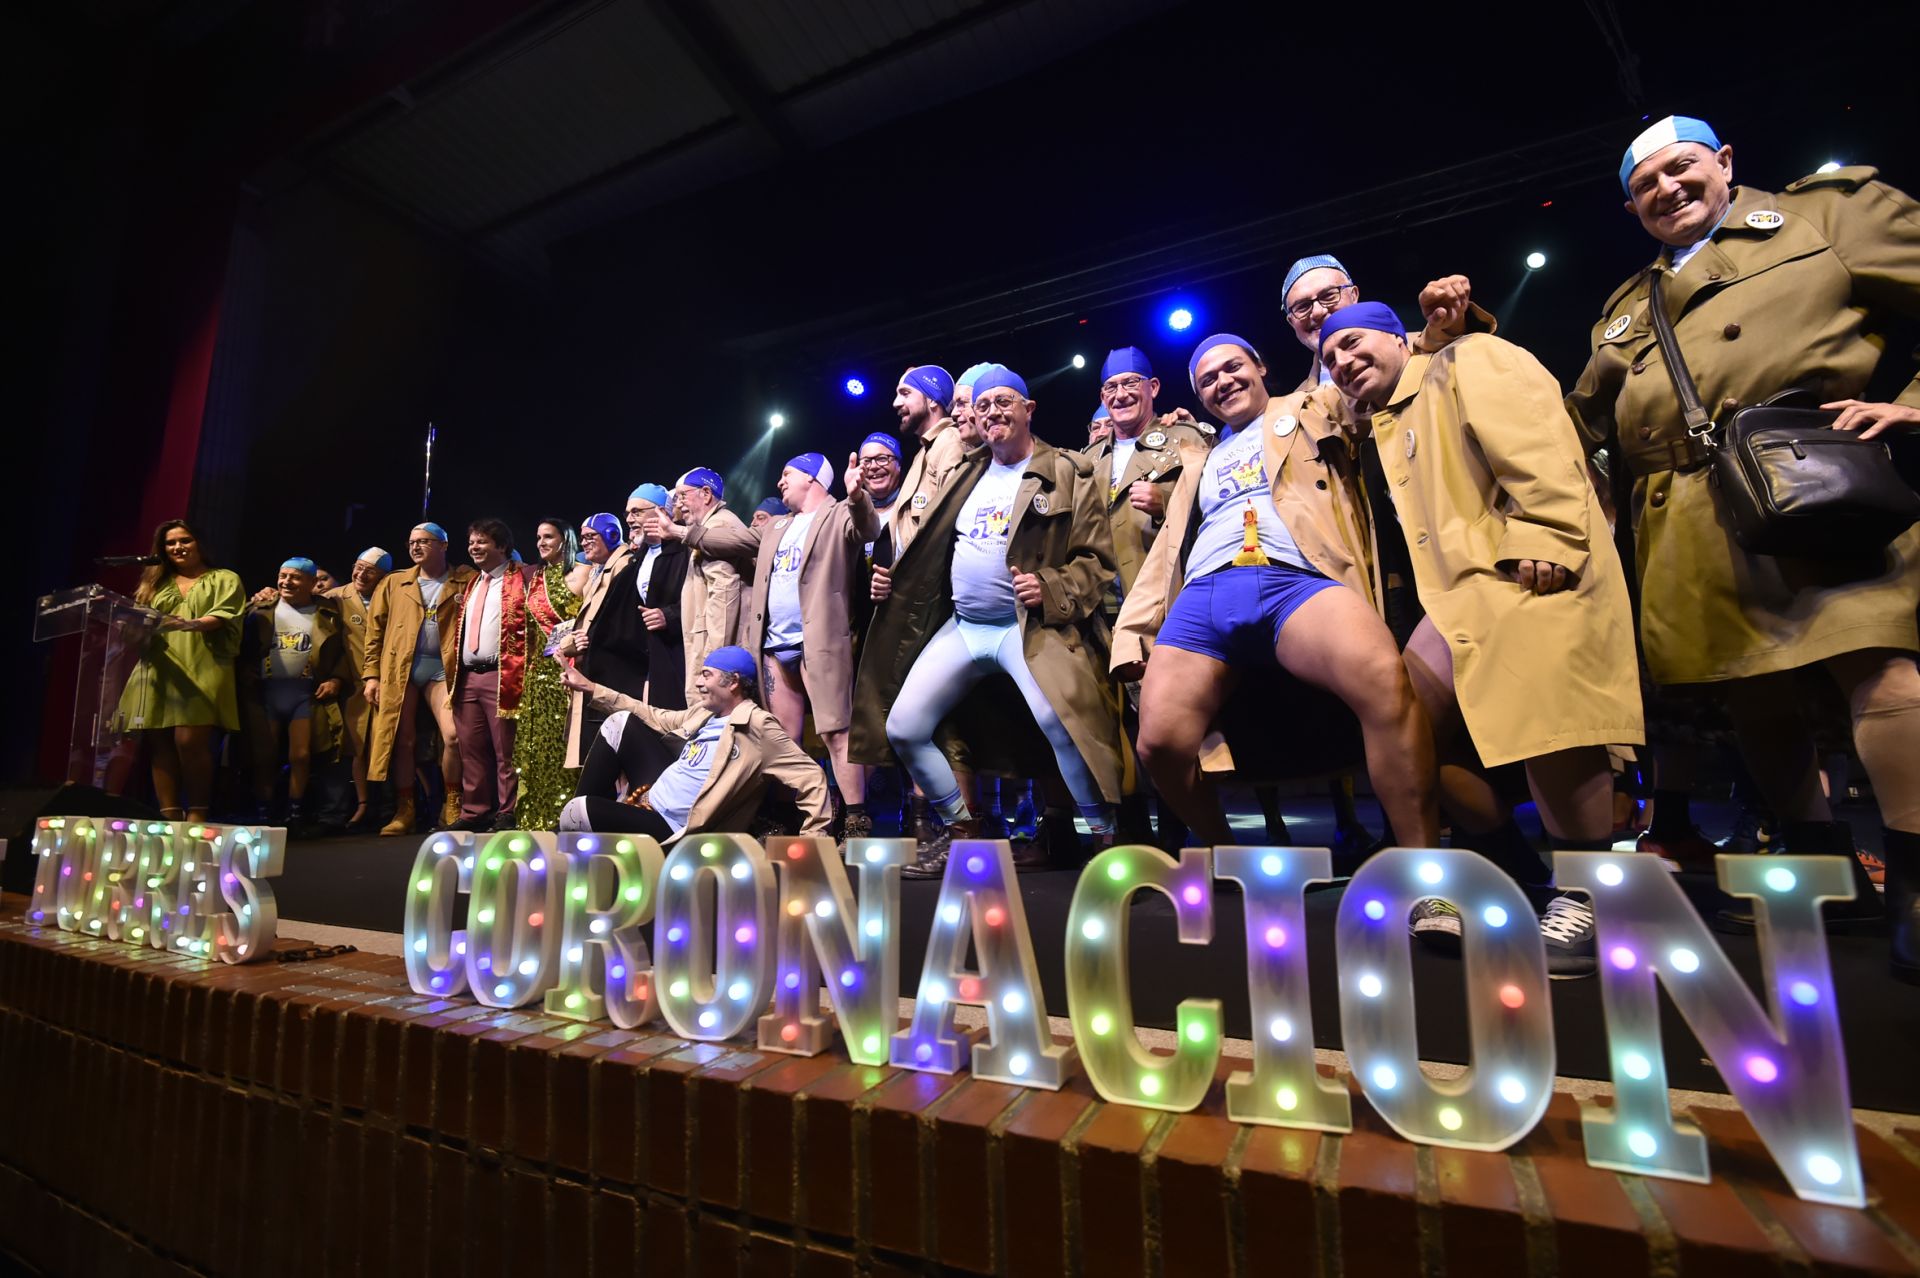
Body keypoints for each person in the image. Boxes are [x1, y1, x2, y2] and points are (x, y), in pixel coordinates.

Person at [1564, 115, 1920, 975]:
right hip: (1684, 515)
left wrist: (1915, 401)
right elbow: (1581, 423)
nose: (1668, 190)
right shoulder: (1625, 304)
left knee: (1874, 662)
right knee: (1752, 694)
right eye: (1646, 185)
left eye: (1682, 169)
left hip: (1808, 473)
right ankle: (1823, 868)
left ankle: (1916, 882)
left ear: (1724, 162)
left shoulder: (1826, 220)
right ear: (1630, 204)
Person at [1321, 303, 1645, 977]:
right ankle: (1522, 873)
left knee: (1554, 725)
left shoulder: (1466, 359)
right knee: (1400, 724)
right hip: (1460, 595)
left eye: (1353, 343)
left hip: (1527, 568)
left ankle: (1590, 896)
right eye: (1330, 359)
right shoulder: (1388, 417)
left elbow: (1539, 440)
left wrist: (1547, 535)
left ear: (1397, 337)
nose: (1343, 362)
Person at [1112, 335, 1441, 860]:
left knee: (1384, 680)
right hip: (1205, 592)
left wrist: (1428, 336)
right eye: (1207, 380)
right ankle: (1225, 855)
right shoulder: (1199, 456)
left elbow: (1375, 380)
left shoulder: (1311, 409)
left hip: (1295, 579)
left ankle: (1425, 870)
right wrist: (1134, 633)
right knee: (1159, 743)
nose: (1223, 382)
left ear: (1261, 366)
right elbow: (1164, 547)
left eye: (1233, 367)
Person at [853, 365, 1132, 876]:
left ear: (1029, 409)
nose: (993, 413)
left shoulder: (1071, 471)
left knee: (1059, 722)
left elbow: (1098, 564)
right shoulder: (965, 474)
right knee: (904, 726)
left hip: (1024, 628)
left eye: (1005, 401)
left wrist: (1049, 587)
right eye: (982, 406)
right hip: (964, 627)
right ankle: (964, 831)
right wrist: (893, 581)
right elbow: (926, 551)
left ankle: (1103, 837)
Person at [681, 452, 881, 838]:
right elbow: (734, 539)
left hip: (817, 641)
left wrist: (857, 497)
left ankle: (856, 817)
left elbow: (868, 529)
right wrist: (683, 533)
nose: (779, 482)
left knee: (835, 731)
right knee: (781, 739)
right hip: (775, 646)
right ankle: (794, 816)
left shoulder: (838, 513)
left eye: (787, 474)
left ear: (811, 477)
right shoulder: (776, 527)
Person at [557, 646, 830, 839]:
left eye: (707, 675)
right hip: (652, 798)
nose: (699, 683)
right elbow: (653, 716)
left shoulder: (758, 726)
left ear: (733, 681)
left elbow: (811, 777)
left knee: (576, 811)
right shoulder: (704, 713)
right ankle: (583, 833)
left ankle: (570, 839)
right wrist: (592, 689)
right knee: (620, 723)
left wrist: (812, 837)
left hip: (676, 826)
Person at [113, 519, 245, 823]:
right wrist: (127, 628)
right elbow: (139, 626)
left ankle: (198, 811)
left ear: (200, 543)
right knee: (160, 744)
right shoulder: (153, 584)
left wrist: (191, 623)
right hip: (159, 665)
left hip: (203, 663)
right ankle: (170, 814)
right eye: (170, 543)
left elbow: (224, 615)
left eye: (184, 540)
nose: (177, 547)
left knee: (190, 742)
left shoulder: (224, 578)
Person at [363, 522, 477, 835]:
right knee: (402, 739)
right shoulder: (394, 582)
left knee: (453, 736)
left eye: (424, 541)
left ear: (443, 545)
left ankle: (452, 801)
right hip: (403, 668)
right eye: (412, 541)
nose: (415, 547)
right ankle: (406, 809)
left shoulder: (464, 579)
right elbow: (374, 632)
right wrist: (371, 675)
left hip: (443, 668)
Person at [241, 557, 350, 833]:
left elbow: (343, 651)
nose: (287, 582)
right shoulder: (261, 608)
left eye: (295, 577)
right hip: (268, 693)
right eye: (283, 576)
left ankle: (295, 810)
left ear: (312, 584)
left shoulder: (327, 611)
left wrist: (337, 678)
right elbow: (241, 646)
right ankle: (264, 810)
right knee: (265, 755)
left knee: (301, 755)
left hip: (304, 693)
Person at [450, 518, 538, 831]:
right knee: (471, 750)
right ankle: (475, 812)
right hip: (468, 676)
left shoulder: (523, 578)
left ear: (501, 546)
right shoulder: (474, 583)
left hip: (502, 675)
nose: (474, 547)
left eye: (482, 541)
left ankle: (507, 811)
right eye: (472, 541)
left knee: (505, 750)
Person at [510, 519, 591, 830]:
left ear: (564, 539)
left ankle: (569, 816)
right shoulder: (536, 577)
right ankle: (539, 815)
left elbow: (591, 620)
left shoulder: (582, 572)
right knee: (540, 746)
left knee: (566, 743)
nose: (541, 542)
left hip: (571, 670)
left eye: (548, 536)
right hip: (540, 673)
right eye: (538, 536)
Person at [649, 467, 749, 704]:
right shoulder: (708, 528)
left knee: (713, 720)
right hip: (707, 643)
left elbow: (724, 597)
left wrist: (715, 663)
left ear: (706, 494)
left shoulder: (719, 525)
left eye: (683, 496)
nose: (678, 505)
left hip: (715, 651)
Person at [561, 511, 635, 766]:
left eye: (591, 536)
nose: (584, 543)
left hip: (612, 670)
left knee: (609, 753)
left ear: (612, 535)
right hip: (593, 666)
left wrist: (581, 641)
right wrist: (570, 642)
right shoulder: (597, 571)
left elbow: (609, 623)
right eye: (582, 538)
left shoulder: (625, 567)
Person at [329, 547, 391, 830]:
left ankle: (386, 806)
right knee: (354, 746)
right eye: (358, 567)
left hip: (388, 682)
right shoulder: (337, 597)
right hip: (354, 683)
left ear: (383, 577)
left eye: (370, 571)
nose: (360, 574)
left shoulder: (392, 597)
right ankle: (359, 805)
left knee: (385, 745)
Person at [889, 365, 963, 556]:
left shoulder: (950, 441)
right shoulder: (925, 450)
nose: (896, 403)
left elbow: (952, 524)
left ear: (932, 400)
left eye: (905, 393)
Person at [856, 432, 905, 562]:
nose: (873, 466)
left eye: (882, 459)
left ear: (898, 465)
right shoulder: (849, 515)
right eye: (866, 461)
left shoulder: (912, 512)